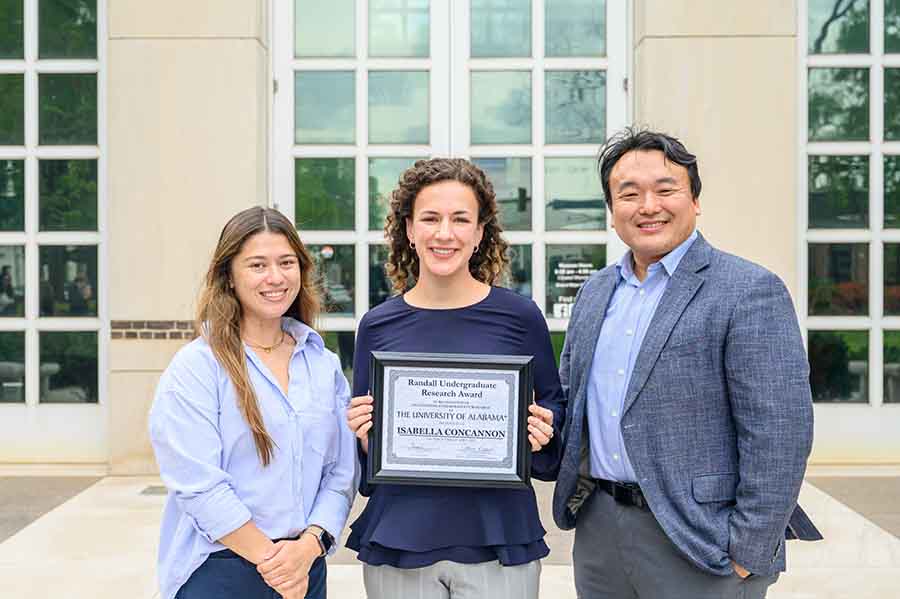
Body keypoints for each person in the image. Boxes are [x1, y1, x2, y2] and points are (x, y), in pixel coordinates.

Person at [552, 128, 822, 599]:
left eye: (665, 189)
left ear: (694, 201)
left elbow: (781, 432)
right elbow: (572, 405)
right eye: (629, 194)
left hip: (701, 544)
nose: (648, 205)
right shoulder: (595, 293)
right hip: (600, 533)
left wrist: (747, 553)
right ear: (612, 210)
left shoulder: (747, 290)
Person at [345, 158, 566, 599]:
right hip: (400, 539)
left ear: (480, 232)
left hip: (498, 536)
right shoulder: (377, 325)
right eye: (430, 218)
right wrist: (367, 436)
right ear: (408, 229)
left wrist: (544, 430)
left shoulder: (520, 318)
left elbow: (554, 412)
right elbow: (367, 460)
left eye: (460, 219)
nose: (444, 233)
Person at [148, 207, 356, 599]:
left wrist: (309, 548)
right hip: (220, 570)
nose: (275, 277)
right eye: (257, 265)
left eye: (286, 263)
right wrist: (277, 566)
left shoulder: (322, 364)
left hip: (305, 565)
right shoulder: (197, 367)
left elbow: (341, 473)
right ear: (229, 275)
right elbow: (199, 485)